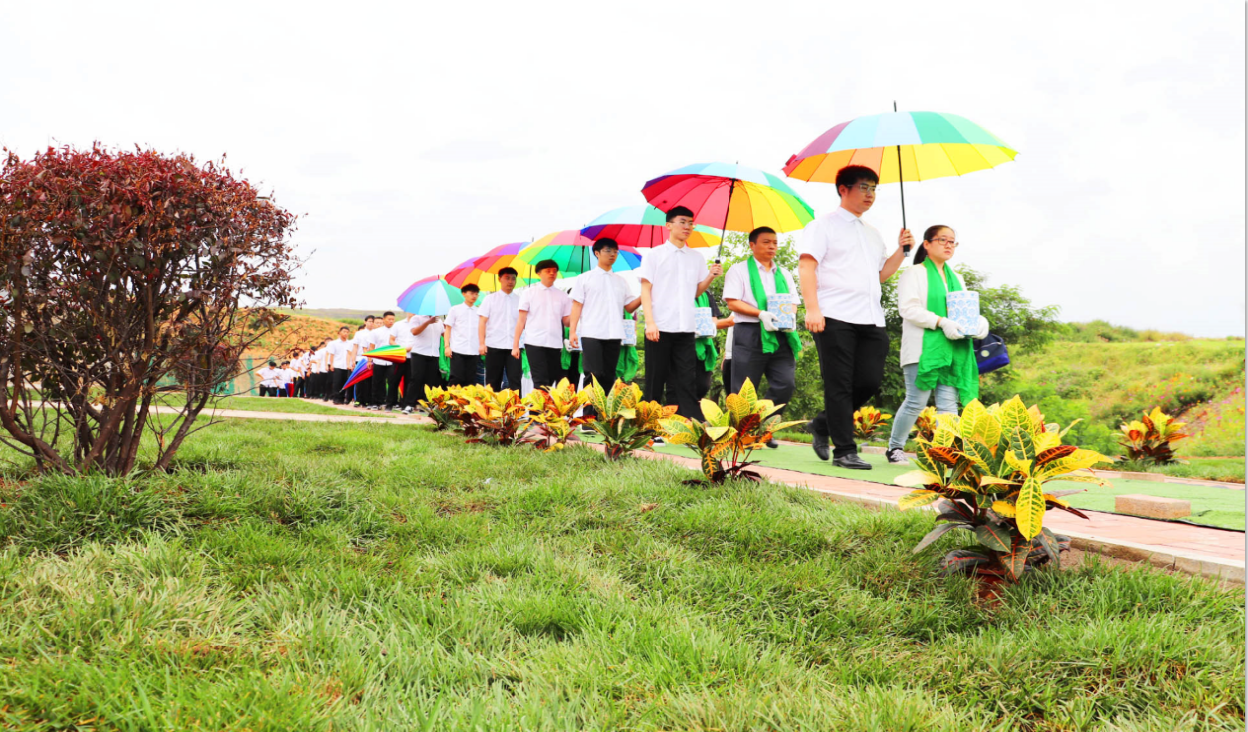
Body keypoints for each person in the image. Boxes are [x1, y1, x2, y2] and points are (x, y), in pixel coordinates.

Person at [798, 165, 911, 469]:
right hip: (833, 315)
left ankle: (822, 424)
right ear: (843, 189)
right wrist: (812, 309)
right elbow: (807, 267)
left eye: (874, 188)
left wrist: (901, 251)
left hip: (871, 318)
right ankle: (845, 451)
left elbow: (881, 275)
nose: (870, 194)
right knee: (839, 384)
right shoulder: (822, 226)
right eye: (863, 187)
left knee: (869, 381)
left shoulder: (872, 233)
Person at [885, 225, 989, 464]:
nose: (949, 245)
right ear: (927, 244)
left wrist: (978, 321)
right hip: (922, 348)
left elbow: (964, 310)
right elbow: (908, 309)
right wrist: (941, 322)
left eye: (953, 241)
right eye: (943, 240)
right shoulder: (914, 273)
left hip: (953, 349)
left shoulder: (958, 278)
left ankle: (947, 453)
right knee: (916, 401)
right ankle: (895, 448)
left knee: (948, 404)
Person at [637, 205, 722, 418]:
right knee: (656, 379)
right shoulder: (654, 255)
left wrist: (710, 276)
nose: (688, 226)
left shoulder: (696, 257)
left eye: (691, 223)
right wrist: (650, 323)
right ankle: (649, 427)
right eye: (682, 221)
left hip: (686, 328)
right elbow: (645, 290)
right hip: (660, 327)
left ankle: (686, 425)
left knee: (686, 379)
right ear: (669, 225)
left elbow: (696, 292)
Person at [723, 226, 801, 449]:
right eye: (766, 242)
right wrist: (760, 313)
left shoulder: (784, 273)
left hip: (780, 333)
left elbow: (793, 301)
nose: (772, 247)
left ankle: (765, 427)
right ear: (752, 245)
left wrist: (789, 318)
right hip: (750, 332)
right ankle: (741, 435)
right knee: (744, 388)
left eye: (775, 242)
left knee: (785, 383)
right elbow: (732, 302)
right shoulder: (738, 271)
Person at [568, 238, 641, 403]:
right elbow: (576, 306)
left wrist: (644, 294)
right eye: (608, 250)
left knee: (609, 375)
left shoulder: (621, 281)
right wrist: (573, 331)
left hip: (614, 333)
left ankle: (604, 417)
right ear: (597, 253)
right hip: (591, 332)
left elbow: (629, 307)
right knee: (593, 374)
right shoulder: (585, 278)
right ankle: (588, 417)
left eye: (615, 251)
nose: (613, 254)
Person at [513, 259, 571, 391]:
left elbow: (567, 321)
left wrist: (577, 309)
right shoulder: (529, 293)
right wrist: (515, 345)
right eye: (548, 271)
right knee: (540, 380)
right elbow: (521, 320)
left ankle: (546, 410)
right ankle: (539, 412)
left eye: (554, 271)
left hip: (555, 343)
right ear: (539, 273)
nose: (552, 273)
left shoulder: (563, 296)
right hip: (534, 342)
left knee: (551, 380)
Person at [477, 267, 523, 391]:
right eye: (507, 278)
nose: (510, 281)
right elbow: (482, 322)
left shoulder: (521, 300)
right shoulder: (490, 299)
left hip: (514, 347)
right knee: (493, 381)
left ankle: (515, 410)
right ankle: (492, 410)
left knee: (515, 381)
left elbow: (524, 322)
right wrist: (482, 344)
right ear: (500, 279)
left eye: (513, 278)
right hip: (494, 345)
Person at [444, 285, 482, 387]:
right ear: (464, 294)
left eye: (476, 294)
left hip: (474, 350)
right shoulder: (455, 309)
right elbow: (448, 329)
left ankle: (466, 402)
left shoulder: (479, 312)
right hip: (457, 349)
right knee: (456, 378)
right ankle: (452, 401)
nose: (474, 296)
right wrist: (447, 346)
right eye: (471, 293)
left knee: (470, 379)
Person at [406, 312, 444, 412]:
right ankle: (410, 404)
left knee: (431, 381)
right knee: (416, 379)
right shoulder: (416, 318)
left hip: (434, 354)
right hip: (419, 353)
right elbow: (414, 332)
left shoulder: (439, 320)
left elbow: (444, 334)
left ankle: (427, 405)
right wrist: (428, 322)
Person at [371, 311, 398, 411]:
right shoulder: (376, 332)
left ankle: (390, 403)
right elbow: (372, 346)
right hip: (379, 360)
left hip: (392, 361)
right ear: (383, 320)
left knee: (392, 382)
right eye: (389, 319)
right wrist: (370, 360)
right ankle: (375, 402)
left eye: (393, 320)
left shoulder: (396, 331)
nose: (391, 321)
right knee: (377, 382)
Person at [351, 316, 376, 407]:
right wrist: (353, 360)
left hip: (373, 359)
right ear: (365, 322)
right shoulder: (359, 333)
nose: (371, 323)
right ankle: (358, 399)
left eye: (373, 322)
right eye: (369, 321)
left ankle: (368, 400)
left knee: (370, 381)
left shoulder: (376, 333)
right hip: (361, 359)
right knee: (360, 380)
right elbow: (355, 347)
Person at [327, 327, 354, 404]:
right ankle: (336, 398)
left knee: (345, 382)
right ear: (339, 332)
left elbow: (351, 354)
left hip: (347, 366)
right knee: (337, 382)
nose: (346, 333)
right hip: (337, 365)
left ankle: (342, 398)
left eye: (347, 332)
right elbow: (332, 355)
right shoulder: (334, 343)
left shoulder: (350, 343)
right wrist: (331, 364)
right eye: (344, 331)